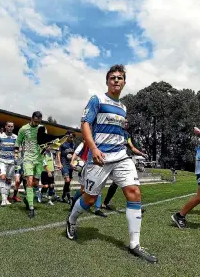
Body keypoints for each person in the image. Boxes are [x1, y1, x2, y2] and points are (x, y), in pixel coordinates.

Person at [66, 64, 157, 263]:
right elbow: (85, 124)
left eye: (120, 78)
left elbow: (119, 133)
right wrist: (94, 149)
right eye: (113, 77)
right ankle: (71, 220)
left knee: (134, 192)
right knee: (89, 200)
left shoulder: (123, 108)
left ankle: (135, 244)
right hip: (99, 157)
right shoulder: (97, 99)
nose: (116, 80)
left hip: (120, 156)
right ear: (107, 81)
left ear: (124, 82)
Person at [102, 120, 148, 211]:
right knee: (99, 186)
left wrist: (141, 154)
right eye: (124, 122)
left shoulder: (126, 135)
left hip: (122, 161)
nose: (126, 124)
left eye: (127, 122)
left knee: (125, 183)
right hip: (110, 160)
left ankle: (134, 205)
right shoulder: (113, 131)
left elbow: (132, 147)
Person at [15, 111, 45, 218]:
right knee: (30, 182)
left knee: (36, 183)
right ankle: (31, 208)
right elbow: (18, 142)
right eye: (35, 121)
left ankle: (27, 198)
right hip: (28, 159)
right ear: (31, 118)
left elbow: (44, 143)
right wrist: (16, 157)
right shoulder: (23, 129)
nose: (37, 123)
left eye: (39, 121)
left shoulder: (42, 128)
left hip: (39, 160)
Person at [70, 141, 107, 217]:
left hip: (99, 167)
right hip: (87, 167)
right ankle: (74, 199)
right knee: (83, 190)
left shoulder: (102, 141)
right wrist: (72, 161)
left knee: (98, 189)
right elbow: (76, 152)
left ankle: (97, 209)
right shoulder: (85, 142)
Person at [0, 121, 18, 206]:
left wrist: (17, 154)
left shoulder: (15, 137)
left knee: (9, 180)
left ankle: (6, 198)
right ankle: (3, 199)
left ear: (13, 127)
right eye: (8, 126)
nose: (10, 128)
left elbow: (17, 149)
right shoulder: (0, 137)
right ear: (5, 127)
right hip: (1, 161)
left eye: (11, 126)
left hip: (11, 162)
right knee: (2, 177)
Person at [57, 132, 76, 204]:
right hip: (64, 164)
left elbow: (74, 154)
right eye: (70, 137)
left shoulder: (73, 144)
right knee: (67, 180)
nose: (72, 138)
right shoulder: (62, 144)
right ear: (67, 136)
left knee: (68, 182)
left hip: (70, 165)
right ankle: (69, 198)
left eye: (73, 137)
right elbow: (58, 154)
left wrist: (74, 162)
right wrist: (59, 163)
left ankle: (63, 197)